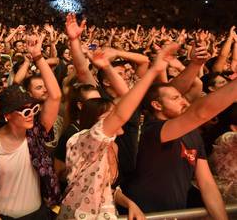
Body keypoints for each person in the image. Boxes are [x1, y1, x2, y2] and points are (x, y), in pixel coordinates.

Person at [57, 42, 177, 219]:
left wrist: (129, 203)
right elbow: (122, 112)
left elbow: (105, 187)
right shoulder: (85, 140)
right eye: (110, 116)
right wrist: (154, 71)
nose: (118, 117)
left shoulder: (113, 147)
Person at [122, 72, 237, 218]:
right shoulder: (152, 129)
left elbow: (207, 185)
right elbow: (200, 113)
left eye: (182, 97)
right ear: (157, 105)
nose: (184, 102)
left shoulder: (193, 134)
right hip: (144, 214)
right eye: (176, 98)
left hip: (175, 213)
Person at [0, 34, 62, 220]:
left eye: (33, 108)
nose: (31, 113)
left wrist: (38, 57)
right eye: (24, 111)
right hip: (3, 216)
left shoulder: (36, 132)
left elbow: (55, 96)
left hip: (38, 214)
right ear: (7, 116)